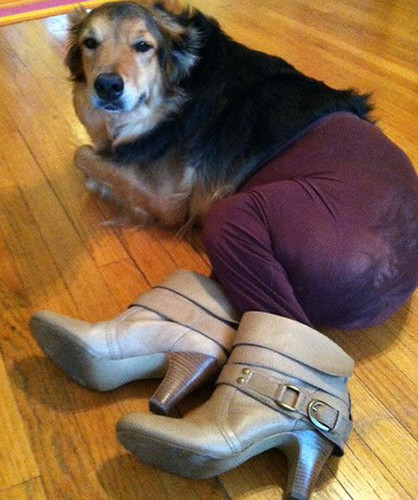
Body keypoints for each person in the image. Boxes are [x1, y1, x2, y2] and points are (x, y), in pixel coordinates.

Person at [30, 112, 418, 499]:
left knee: (232, 221)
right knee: (252, 253)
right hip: (379, 275)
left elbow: (170, 196)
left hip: (351, 242)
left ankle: (304, 393)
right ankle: (183, 338)